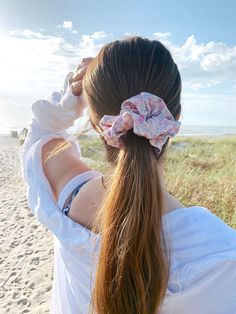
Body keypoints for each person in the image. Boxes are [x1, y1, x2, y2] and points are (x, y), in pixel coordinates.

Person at [21, 37, 236, 314]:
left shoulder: (70, 194)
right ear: (174, 120)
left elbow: (41, 136)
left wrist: (66, 103)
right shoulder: (222, 254)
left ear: (97, 124)